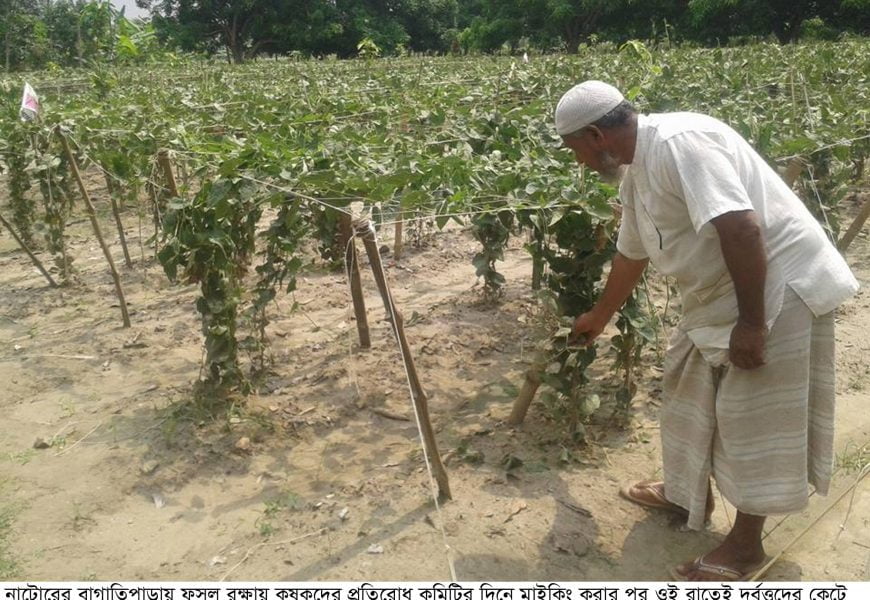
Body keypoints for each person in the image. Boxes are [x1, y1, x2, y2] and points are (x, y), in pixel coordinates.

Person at [555, 80, 859, 581]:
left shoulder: (680, 143)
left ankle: (744, 548)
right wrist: (600, 314)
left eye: (576, 152)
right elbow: (632, 251)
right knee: (683, 386)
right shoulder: (636, 171)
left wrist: (753, 324)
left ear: (595, 136)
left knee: (754, 418)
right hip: (720, 298)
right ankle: (683, 493)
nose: (579, 164)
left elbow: (742, 229)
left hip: (779, 290)